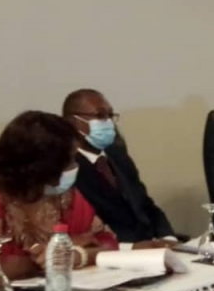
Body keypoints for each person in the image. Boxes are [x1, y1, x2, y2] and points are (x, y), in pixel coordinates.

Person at [0, 111, 118, 291]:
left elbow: (108, 243)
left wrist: (75, 255)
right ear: (41, 165)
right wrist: (47, 258)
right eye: (67, 161)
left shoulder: (62, 190)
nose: (73, 167)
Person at [62, 89, 177, 249]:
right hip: (112, 253)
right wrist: (131, 248)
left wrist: (168, 237)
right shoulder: (66, 167)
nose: (108, 122)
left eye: (110, 115)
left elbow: (145, 204)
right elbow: (84, 231)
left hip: (152, 248)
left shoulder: (117, 155)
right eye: (100, 115)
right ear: (72, 122)